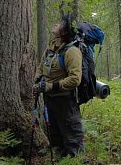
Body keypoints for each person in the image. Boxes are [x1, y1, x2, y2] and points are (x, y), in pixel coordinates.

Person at [34, 14, 84, 157]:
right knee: (55, 138)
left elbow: (75, 79)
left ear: (65, 32)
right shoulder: (50, 49)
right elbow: (40, 68)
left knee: (72, 139)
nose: (56, 24)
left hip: (66, 103)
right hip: (49, 102)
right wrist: (37, 83)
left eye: (60, 23)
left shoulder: (72, 51)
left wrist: (52, 86)